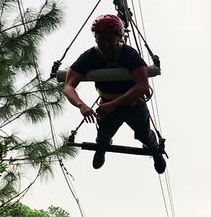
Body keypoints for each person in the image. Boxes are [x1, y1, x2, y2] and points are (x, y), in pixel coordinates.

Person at [62, 14, 166, 174]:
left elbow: (143, 86)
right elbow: (68, 86)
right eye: (100, 39)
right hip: (107, 104)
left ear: (119, 38)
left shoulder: (129, 54)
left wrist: (114, 104)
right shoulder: (89, 57)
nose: (105, 44)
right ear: (95, 37)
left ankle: (154, 151)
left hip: (133, 104)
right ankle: (102, 147)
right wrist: (81, 105)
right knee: (103, 133)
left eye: (109, 40)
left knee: (144, 133)